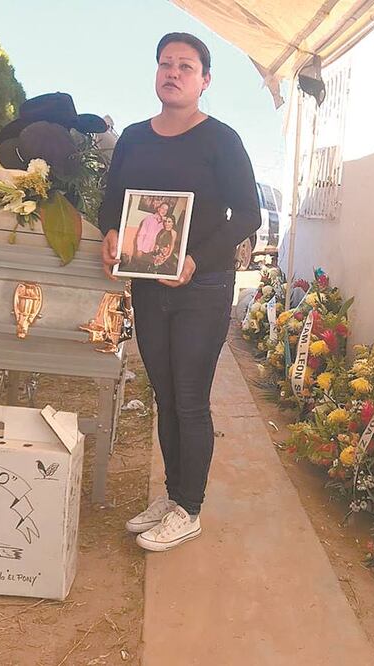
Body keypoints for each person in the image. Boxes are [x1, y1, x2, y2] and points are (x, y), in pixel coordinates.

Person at [98, 32, 260, 552]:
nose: (173, 72)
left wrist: (195, 260)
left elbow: (248, 215)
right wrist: (110, 233)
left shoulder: (221, 140)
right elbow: (112, 202)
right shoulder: (133, 138)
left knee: (189, 399)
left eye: (185, 66)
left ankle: (189, 509)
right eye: (165, 63)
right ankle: (173, 497)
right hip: (150, 286)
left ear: (204, 81)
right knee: (164, 395)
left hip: (203, 286)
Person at [132, 201, 169, 271]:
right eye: (163, 208)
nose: (164, 211)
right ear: (158, 209)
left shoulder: (164, 224)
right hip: (142, 249)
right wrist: (139, 249)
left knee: (146, 270)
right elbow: (141, 234)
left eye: (166, 210)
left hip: (153, 251)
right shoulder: (149, 218)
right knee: (136, 268)